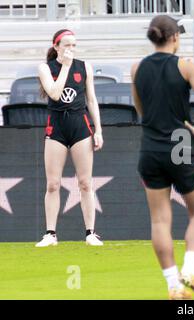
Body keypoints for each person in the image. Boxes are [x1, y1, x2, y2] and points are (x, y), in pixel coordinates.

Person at [130, 15, 194, 300]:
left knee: (159, 222)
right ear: (175, 38)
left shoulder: (137, 68)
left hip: (150, 150)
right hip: (180, 148)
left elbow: (139, 108)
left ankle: (173, 285)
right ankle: (190, 269)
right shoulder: (185, 66)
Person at [36, 29, 104, 247]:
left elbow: (91, 100)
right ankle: (50, 233)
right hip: (56, 126)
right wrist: (64, 66)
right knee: (53, 184)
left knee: (85, 183)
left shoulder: (84, 66)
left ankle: (90, 233)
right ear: (56, 47)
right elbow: (55, 94)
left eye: (74, 45)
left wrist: (99, 130)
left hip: (79, 125)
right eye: (66, 45)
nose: (71, 49)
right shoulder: (46, 68)